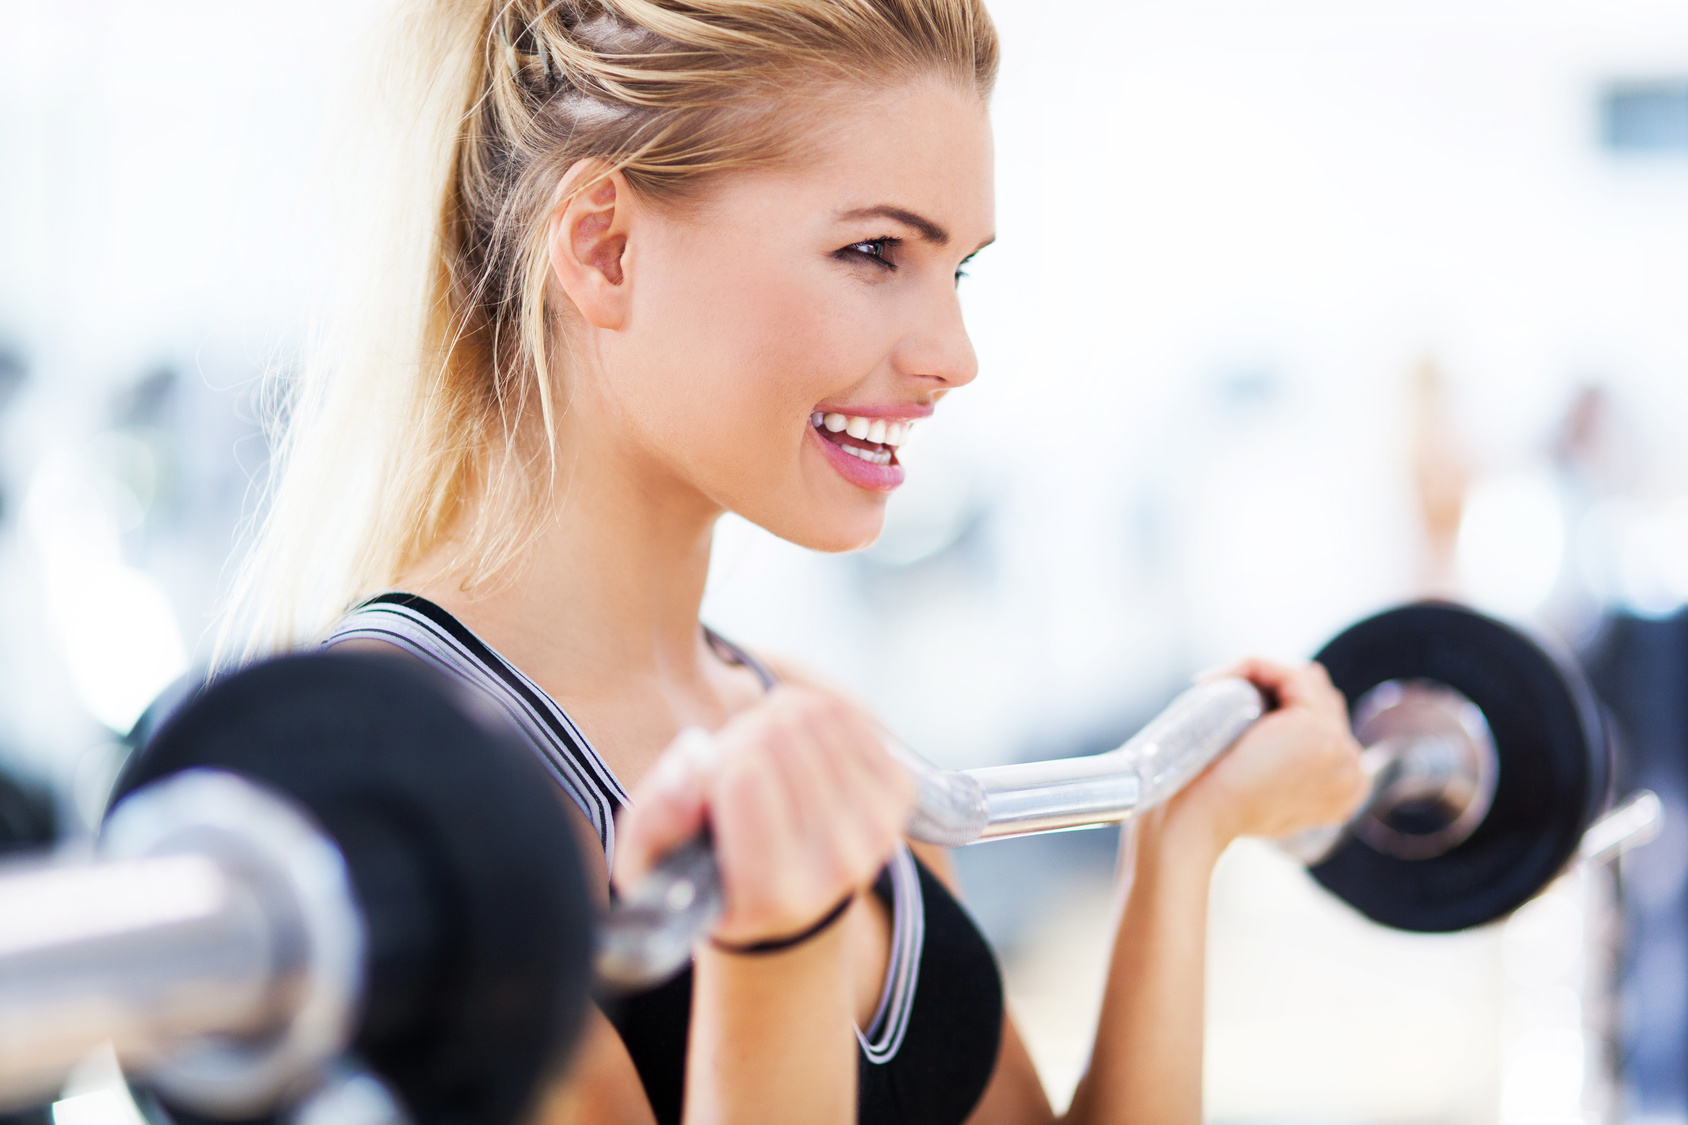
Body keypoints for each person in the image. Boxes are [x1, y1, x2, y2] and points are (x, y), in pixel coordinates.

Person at [226, 0, 1369, 1121]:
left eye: (955, 271)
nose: (953, 356)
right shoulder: (408, 794)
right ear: (604, 248)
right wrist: (771, 947)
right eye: (873, 252)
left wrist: (1176, 848)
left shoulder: (823, 729)